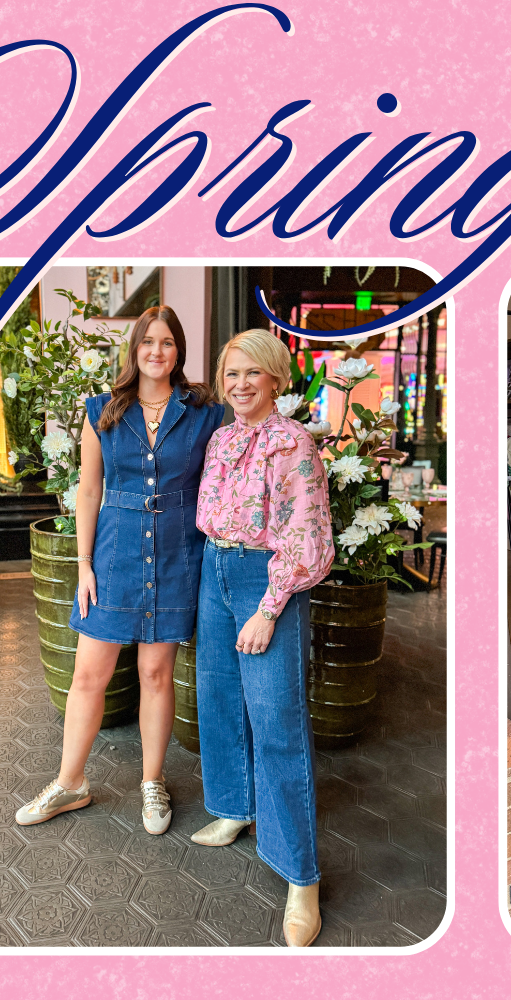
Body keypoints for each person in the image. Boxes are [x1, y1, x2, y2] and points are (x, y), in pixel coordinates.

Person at [16, 306, 222, 838]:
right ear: (134, 349)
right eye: (148, 341)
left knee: (156, 674)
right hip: (113, 557)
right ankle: (70, 782)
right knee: (89, 675)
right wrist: (84, 564)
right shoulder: (103, 410)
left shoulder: (203, 413)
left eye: (167, 342)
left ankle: (153, 781)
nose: (157, 351)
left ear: (179, 351)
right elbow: (89, 490)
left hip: (177, 554)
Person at [189, 330, 336, 947]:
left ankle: (301, 875)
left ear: (276, 377)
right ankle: (234, 808)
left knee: (277, 721)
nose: (241, 384)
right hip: (214, 570)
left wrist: (269, 607)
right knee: (220, 699)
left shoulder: (293, 441)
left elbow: (306, 534)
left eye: (253, 372)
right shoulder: (221, 439)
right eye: (231, 373)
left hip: (265, 577)